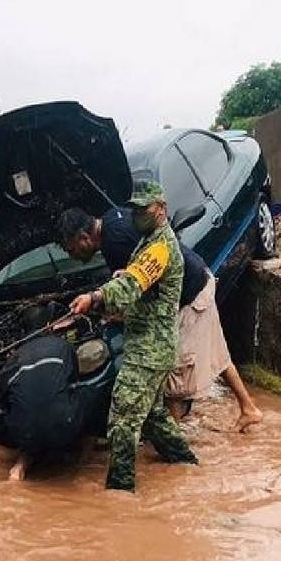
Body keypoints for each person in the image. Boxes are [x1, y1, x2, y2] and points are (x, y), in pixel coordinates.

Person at [57, 205, 262, 431]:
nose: (73, 256)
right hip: (199, 277)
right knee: (218, 354)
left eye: (71, 249)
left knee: (174, 378)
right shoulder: (113, 219)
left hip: (188, 298)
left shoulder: (114, 243)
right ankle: (249, 408)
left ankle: (172, 450)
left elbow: (137, 285)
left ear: (84, 238)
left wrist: (104, 304)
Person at [66, 180, 198, 492]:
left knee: (122, 421)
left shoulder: (159, 248)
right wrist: (120, 277)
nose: (137, 214)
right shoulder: (148, 239)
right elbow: (135, 276)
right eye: (134, 208)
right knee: (153, 418)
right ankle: (188, 467)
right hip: (150, 345)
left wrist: (95, 297)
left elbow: (132, 286)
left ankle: (119, 493)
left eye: (144, 209)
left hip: (149, 350)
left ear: (161, 209)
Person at [0, 335, 98, 482]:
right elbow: (73, 385)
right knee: (90, 392)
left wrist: (7, 437)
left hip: (25, 432)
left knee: (30, 425)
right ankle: (84, 459)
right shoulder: (65, 348)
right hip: (63, 426)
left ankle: (20, 464)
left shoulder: (12, 365)